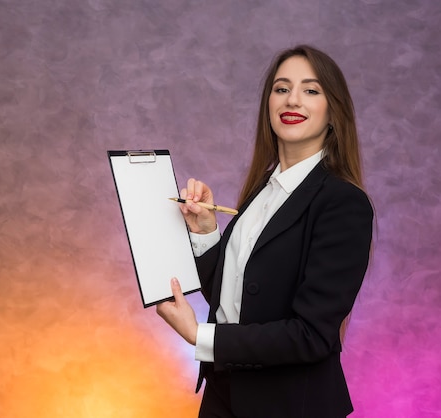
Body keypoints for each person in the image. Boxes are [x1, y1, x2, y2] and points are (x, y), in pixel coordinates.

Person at [156, 44, 374, 418]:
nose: (292, 100)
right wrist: (207, 233)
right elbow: (236, 303)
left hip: (291, 406)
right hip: (225, 395)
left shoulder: (343, 203)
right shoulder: (263, 189)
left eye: (311, 90)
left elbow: (311, 336)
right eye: (281, 88)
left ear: (333, 112)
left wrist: (200, 336)